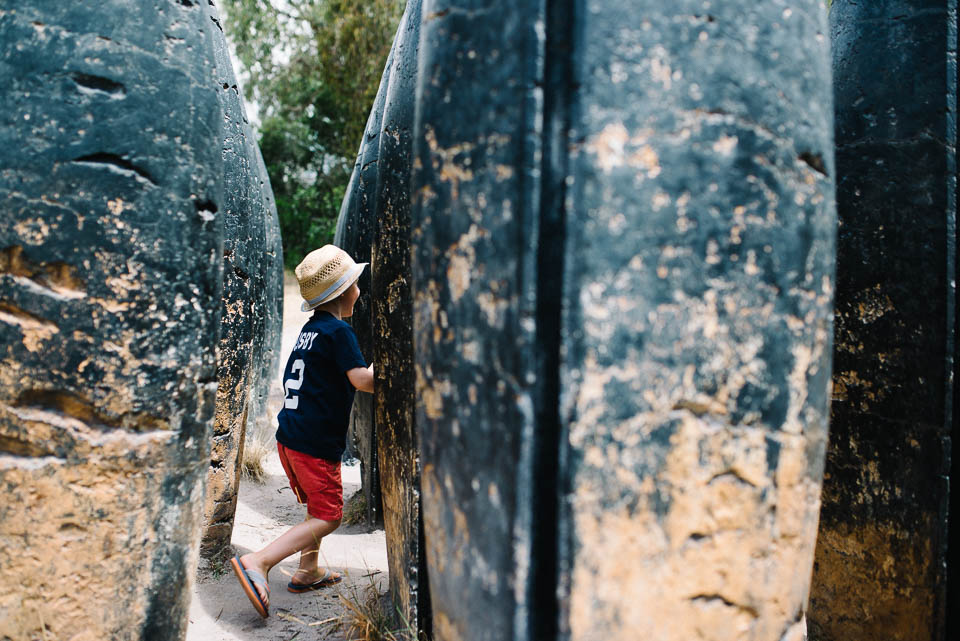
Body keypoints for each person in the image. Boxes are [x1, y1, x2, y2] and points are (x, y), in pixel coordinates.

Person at [231, 244, 374, 618]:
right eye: (357, 282)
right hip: (314, 444)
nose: (360, 288)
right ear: (346, 291)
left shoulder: (310, 331)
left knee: (315, 506)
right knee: (329, 516)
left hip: (290, 439)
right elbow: (361, 380)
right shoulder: (339, 332)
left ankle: (308, 570)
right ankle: (259, 562)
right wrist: (395, 370)